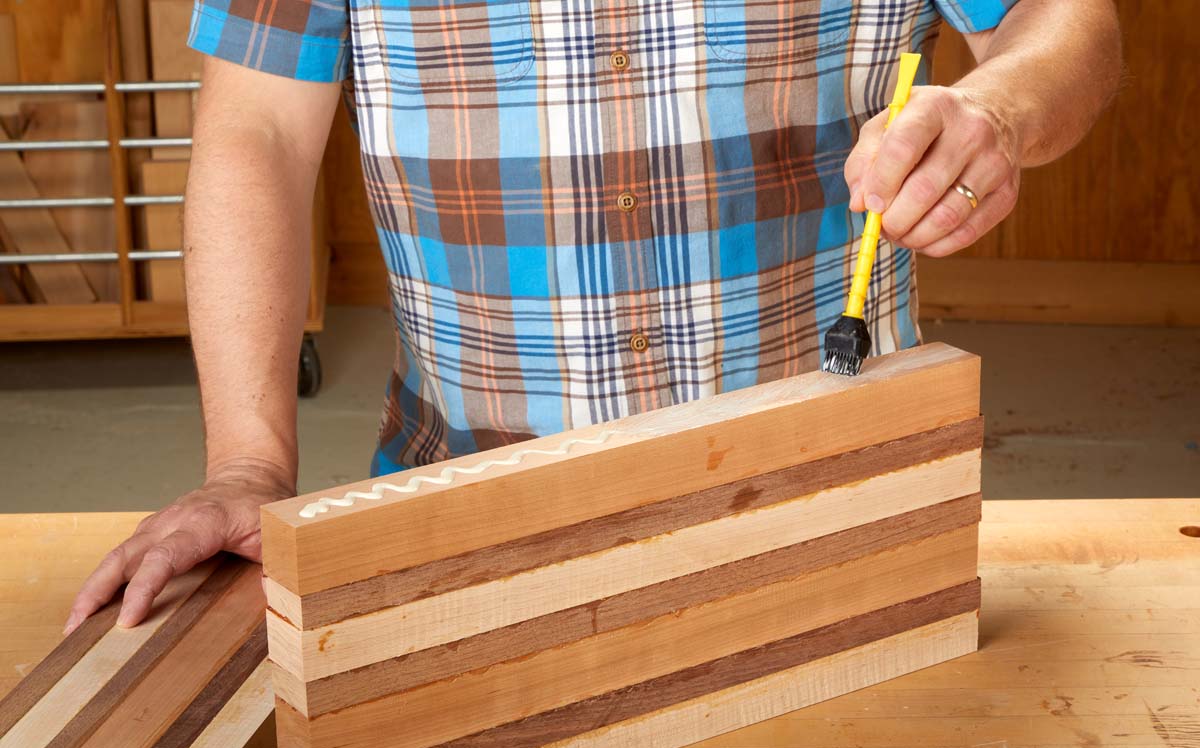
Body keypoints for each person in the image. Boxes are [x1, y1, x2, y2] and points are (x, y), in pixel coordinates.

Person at [64, 0, 1120, 634]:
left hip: (827, 518)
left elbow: (1071, 21)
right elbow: (257, 125)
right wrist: (247, 465)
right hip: (464, 532)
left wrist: (997, 111)